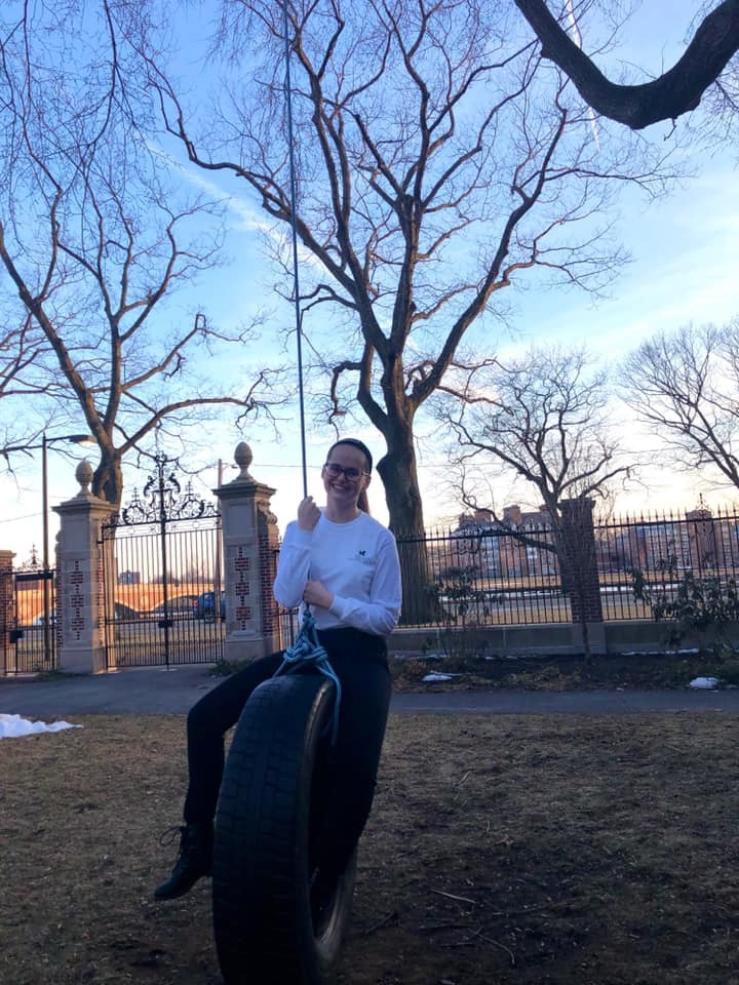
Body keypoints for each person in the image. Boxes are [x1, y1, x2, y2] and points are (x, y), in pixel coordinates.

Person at [154, 437, 402, 901]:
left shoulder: (378, 538)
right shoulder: (300, 526)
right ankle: (197, 844)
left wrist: (333, 602)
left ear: (365, 480)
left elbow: (387, 617)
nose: (342, 478)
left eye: (353, 472)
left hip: (360, 656)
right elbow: (286, 596)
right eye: (336, 468)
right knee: (203, 719)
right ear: (324, 472)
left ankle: (327, 878)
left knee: (353, 766)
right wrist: (304, 535)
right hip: (309, 650)